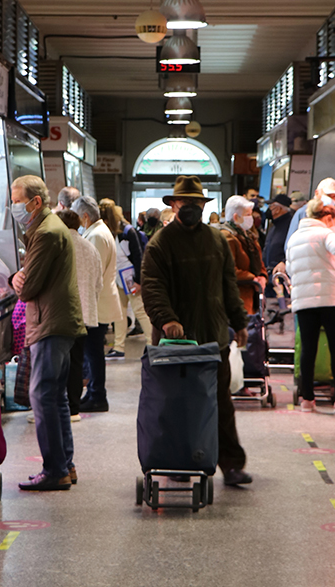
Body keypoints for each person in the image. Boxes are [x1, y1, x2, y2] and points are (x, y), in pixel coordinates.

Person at [141, 175, 253, 486]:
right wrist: (167, 320)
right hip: (175, 344)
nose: (190, 207)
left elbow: (228, 285)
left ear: (203, 206)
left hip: (213, 339)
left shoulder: (216, 240)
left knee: (220, 405)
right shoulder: (160, 245)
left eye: (196, 202)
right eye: (184, 202)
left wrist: (239, 321)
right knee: (176, 405)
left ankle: (231, 464)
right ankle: (179, 460)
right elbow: (152, 289)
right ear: (173, 204)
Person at [10, 176, 85, 491]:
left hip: (50, 322)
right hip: (60, 320)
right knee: (56, 397)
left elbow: (29, 287)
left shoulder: (45, 233)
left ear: (35, 202)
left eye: (17, 200)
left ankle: (55, 469)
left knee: (42, 396)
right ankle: (65, 465)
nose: (14, 207)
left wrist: (18, 278)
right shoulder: (50, 228)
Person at [27, 210, 102, 425]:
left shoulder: (55, 243)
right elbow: (99, 282)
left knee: (54, 366)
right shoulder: (90, 247)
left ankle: (47, 408)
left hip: (59, 313)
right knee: (76, 362)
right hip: (85, 313)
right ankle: (73, 408)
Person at [286, 200, 335, 413]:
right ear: (327, 218)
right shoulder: (325, 234)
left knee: (308, 349)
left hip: (305, 301)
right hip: (331, 300)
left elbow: (291, 268)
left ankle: (307, 399)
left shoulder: (294, 238)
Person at [71, 196, 123, 413]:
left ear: (84, 216)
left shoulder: (97, 236)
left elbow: (93, 272)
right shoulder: (98, 232)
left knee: (93, 352)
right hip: (100, 301)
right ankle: (93, 392)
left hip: (98, 303)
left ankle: (98, 395)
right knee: (93, 352)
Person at [99, 199, 152, 360]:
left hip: (130, 277)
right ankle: (118, 346)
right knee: (120, 313)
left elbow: (138, 257)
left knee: (139, 310)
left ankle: (152, 344)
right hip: (118, 277)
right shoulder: (113, 231)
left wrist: (138, 280)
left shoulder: (128, 231)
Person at [221, 195, 268, 316]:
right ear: (236, 217)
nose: (250, 218)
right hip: (236, 300)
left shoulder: (249, 237)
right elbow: (228, 269)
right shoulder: (227, 238)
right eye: (247, 214)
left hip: (251, 299)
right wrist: (252, 278)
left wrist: (262, 276)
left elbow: (259, 263)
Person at [284, 178, 335, 250]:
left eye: (334, 196)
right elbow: (289, 244)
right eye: (328, 195)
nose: (332, 199)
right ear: (317, 193)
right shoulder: (303, 213)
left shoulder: (333, 215)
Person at [262, 193, 294, 275]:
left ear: (278, 209)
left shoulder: (290, 225)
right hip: (269, 274)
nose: (269, 210)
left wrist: (284, 262)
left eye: (271, 207)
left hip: (281, 274)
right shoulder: (274, 226)